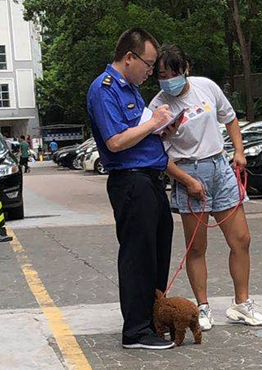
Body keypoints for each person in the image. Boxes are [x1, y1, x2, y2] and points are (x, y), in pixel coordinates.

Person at [149, 44, 262, 332]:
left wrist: (239, 151)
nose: (168, 81)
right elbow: (157, 154)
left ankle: (241, 303)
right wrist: (187, 181)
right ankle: (202, 307)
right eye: (162, 76)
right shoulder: (157, 107)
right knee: (197, 247)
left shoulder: (206, 87)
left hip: (220, 167)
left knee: (241, 239)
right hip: (188, 172)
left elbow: (230, 118)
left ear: (185, 69)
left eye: (173, 73)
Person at [87, 28, 176, 350]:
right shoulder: (104, 89)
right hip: (131, 180)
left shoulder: (132, 90)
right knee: (138, 255)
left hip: (151, 178)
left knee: (158, 251)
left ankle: (153, 320)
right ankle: (136, 331)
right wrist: (153, 123)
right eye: (148, 65)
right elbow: (115, 141)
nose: (150, 72)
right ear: (129, 57)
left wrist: (162, 129)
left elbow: (138, 133)